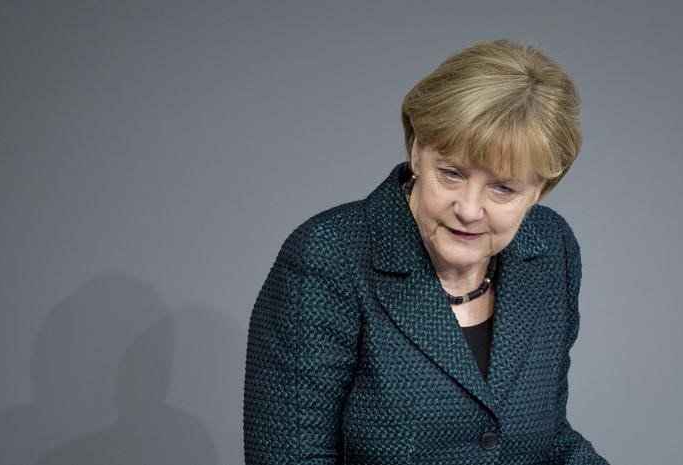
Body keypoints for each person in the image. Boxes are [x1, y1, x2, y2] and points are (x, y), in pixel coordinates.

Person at [244, 39, 609, 464]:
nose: (469, 210)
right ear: (417, 150)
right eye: (452, 173)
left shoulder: (550, 250)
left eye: (503, 187)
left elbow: (548, 442)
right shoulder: (328, 257)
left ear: (541, 189)